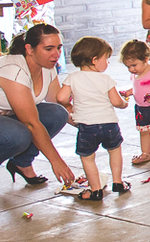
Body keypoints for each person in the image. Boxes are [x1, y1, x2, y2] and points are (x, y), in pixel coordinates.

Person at [0, 24, 76, 187]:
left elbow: (59, 102)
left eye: (59, 47)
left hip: (8, 113)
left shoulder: (47, 65)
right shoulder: (14, 70)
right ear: (30, 49)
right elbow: (31, 123)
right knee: (19, 135)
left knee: (57, 113)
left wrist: (90, 123)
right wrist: (56, 162)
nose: (56, 54)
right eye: (49, 48)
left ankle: (22, 163)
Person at [56, 36, 130, 201]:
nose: (108, 63)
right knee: (115, 150)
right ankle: (117, 182)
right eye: (106, 59)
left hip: (87, 126)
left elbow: (61, 97)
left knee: (88, 158)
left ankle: (96, 190)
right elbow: (117, 102)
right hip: (109, 124)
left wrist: (72, 105)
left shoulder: (73, 78)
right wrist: (125, 103)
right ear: (95, 60)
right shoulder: (106, 79)